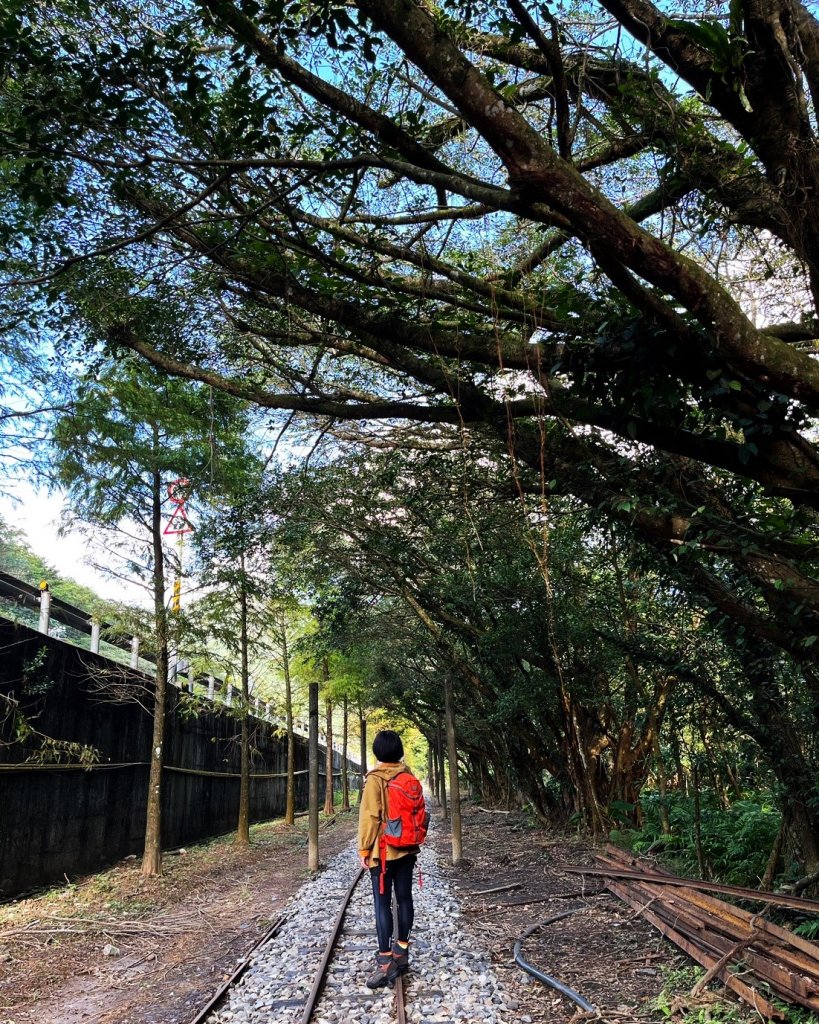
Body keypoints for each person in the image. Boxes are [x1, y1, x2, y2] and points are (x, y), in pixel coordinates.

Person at [358, 729, 420, 988]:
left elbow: (370, 817)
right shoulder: (408, 776)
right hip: (407, 849)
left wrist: (364, 849)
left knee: (382, 904)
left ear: (377, 752)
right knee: (405, 898)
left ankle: (385, 962)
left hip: (383, 852)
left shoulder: (375, 779)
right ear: (399, 751)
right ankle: (401, 951)